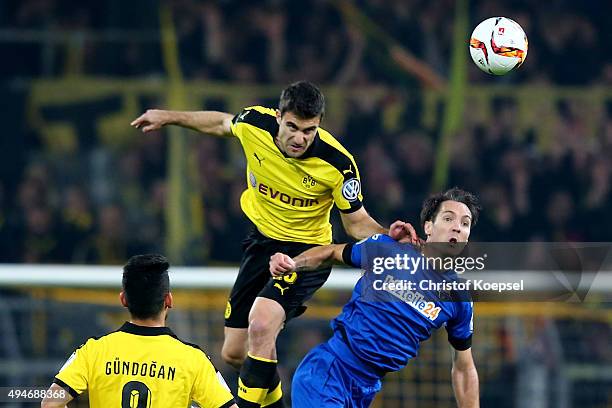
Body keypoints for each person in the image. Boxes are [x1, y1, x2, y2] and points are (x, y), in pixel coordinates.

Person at [131, 81, 416, 407]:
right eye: (292, 127)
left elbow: (355, 223)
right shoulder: (255, 124)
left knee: (262, 322)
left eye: (309, 130)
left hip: (307, 254)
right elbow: (221, 123)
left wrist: (385, 235)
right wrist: (167, 116)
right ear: (278, 116)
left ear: (319, 123)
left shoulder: (338, 164)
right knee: (236, 352)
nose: (299, 138)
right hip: (262, 244)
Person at [269, 188, 481, 407]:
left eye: (465, 224)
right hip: (329, 372)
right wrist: (293, 263)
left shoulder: (458, 298)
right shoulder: (389, 250)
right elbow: (331, 252)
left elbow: (464, 367)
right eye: (448, 218)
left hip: (366, 389)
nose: (457, 227)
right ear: (428, 226)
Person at [41, 254, 237, 408]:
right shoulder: (194, 360)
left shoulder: (94, 351)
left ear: (123, 299)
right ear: (168, 300)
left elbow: (50, 402)